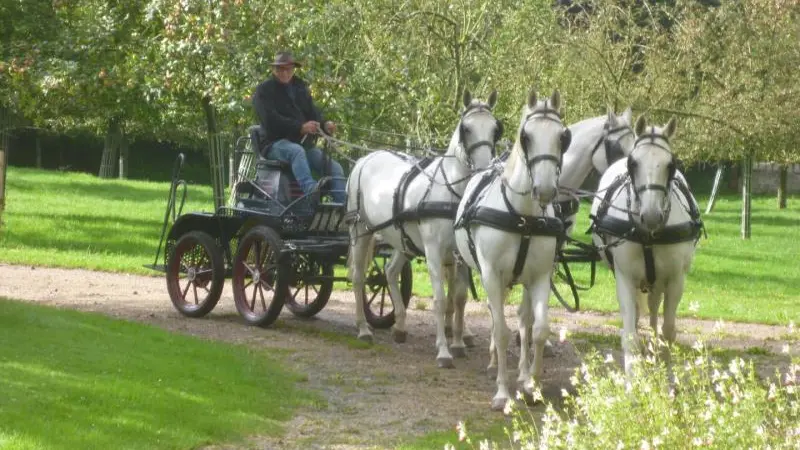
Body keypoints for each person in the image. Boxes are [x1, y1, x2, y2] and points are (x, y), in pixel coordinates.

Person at [252, 51, 346, 203]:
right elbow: (270, 120)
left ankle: (343, 207)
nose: (285, 73)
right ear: (274, 70)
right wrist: (300, 128)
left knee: (334, 168)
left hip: (302, 145)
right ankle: (311, 192)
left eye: (288, 69)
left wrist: (324, 125)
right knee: (296, 151)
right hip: (274, 144)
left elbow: (312, 112)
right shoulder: (264, 90)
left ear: (293, 69)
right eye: (280, 69)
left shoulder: (299, 87)